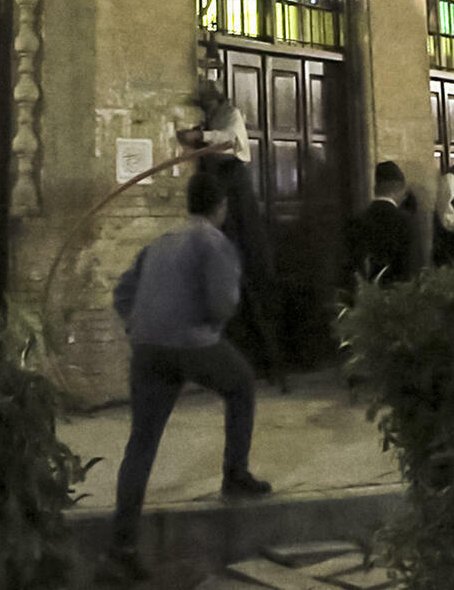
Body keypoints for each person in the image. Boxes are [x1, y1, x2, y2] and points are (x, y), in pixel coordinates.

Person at [102, 170, 272, 584]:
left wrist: (140, 326)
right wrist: (207, 320)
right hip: (193, 343)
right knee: (242, 384)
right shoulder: (214, 242)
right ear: (221, 207)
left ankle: (122, 547)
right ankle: (235, 474)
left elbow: (123, 293)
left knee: (140, 443)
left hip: (147, 347)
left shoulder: (160, 242)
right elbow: (222, 303)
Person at [178, 78, 281, 382]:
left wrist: (200, 136)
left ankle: (266, 362)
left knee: (249, 275)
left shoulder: (231, 116)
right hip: (220, 204)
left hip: (236, 204)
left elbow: (229, 140)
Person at [346, 162, 420, 286]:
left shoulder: (356, 220)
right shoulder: (405, 222)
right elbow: (411, 267)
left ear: (375, 189)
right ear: (399, 189)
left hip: (365, 296)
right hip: (397, 296)